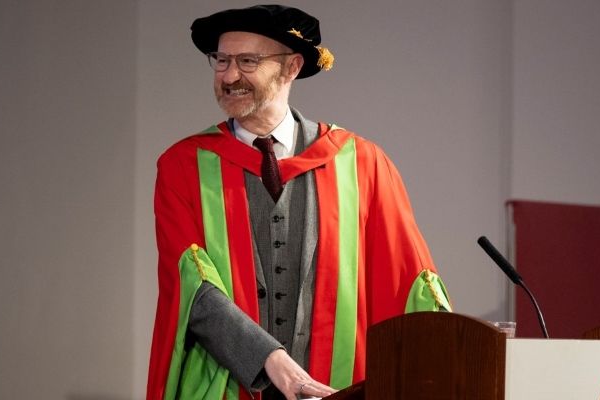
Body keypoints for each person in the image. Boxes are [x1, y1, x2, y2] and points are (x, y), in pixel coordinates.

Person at [147, 5, 452, 400]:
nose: (229, 75)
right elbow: (193, 292)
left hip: (336, 390)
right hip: (227, 389)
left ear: (291, 68)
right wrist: (271, 359)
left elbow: (408, 283)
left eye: (247, 61)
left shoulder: (362, 165)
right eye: (221, 60)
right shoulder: (184, 166)